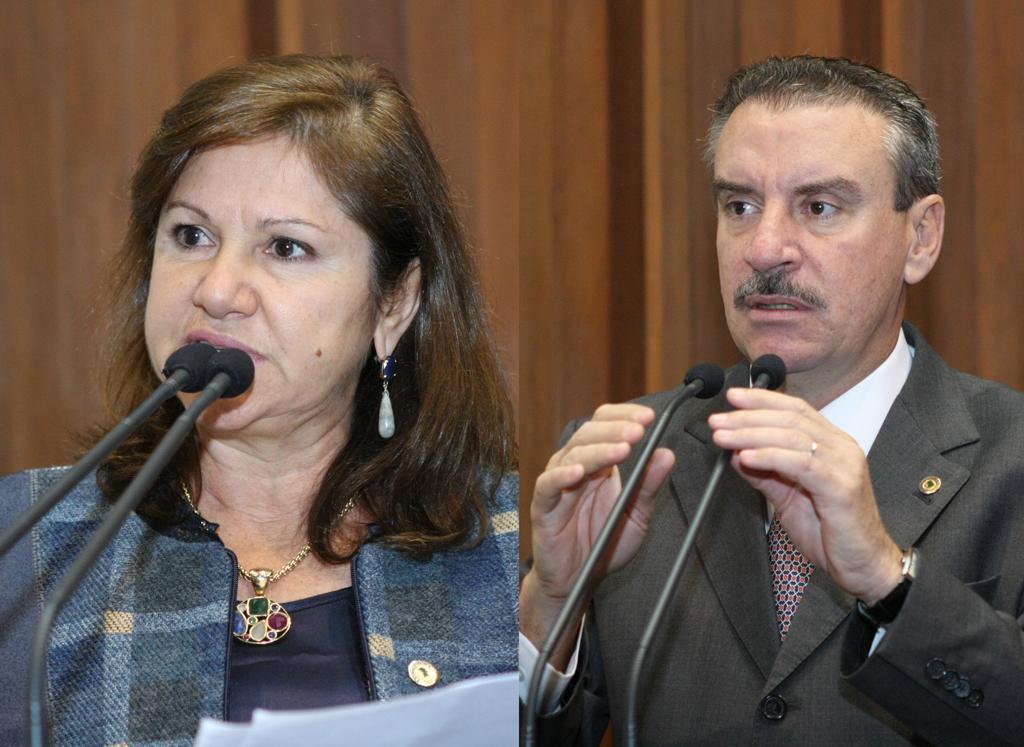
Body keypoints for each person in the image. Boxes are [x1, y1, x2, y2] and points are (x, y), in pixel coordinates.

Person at [0, 54, 518, 744]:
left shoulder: (510, 547)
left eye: (285, 248)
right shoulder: (26, 544)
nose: (217, 290)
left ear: (394, 302)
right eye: (191, 235)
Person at [521, 56, 1024, 745]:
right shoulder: (633, 459)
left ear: (921, 236)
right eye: (740, 206)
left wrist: (889, 580)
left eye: (819, 207)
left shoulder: (1010, 458)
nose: (764, 249)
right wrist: (552, 605)